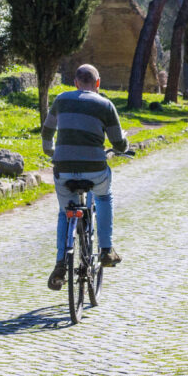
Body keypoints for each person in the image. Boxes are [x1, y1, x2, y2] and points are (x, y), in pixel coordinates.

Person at [42, 64, 128, 291]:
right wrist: (123, 146)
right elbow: (118, 142)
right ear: (97, 83)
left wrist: (50, 151)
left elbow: (47, 130)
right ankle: (107, 249)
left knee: (64, 212)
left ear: (76, 83)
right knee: (103, 196)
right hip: (94, 169)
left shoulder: (61, 100)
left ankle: (61, 263)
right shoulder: (105, 104)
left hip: (64, 168)